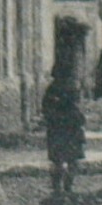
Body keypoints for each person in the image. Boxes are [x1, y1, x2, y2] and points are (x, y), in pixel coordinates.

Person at [40, 66, 85, 194]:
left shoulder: (51, 90)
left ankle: (58, 187)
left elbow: (45, 110)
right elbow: (78, 111)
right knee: (72, 161)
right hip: (70, 130)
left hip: (58, 130)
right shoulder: (73, 88)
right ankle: (67, 186)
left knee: (58, 160)